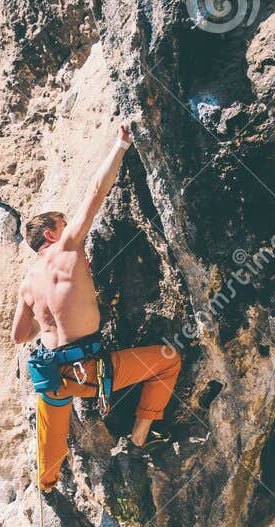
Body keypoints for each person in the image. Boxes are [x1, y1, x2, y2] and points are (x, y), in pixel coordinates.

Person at [12, 122, 181, 491]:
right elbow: (95, 192)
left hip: (51, 378)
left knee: (50, 438)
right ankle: (140, 436)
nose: (71, 228)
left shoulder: (27, 283)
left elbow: (19, 336)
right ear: (52, 234)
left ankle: (46, 483)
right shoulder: (68, 248)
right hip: (88, 372)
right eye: (64, 224)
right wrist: (121, 145)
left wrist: (49, 318)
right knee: (168, 361)